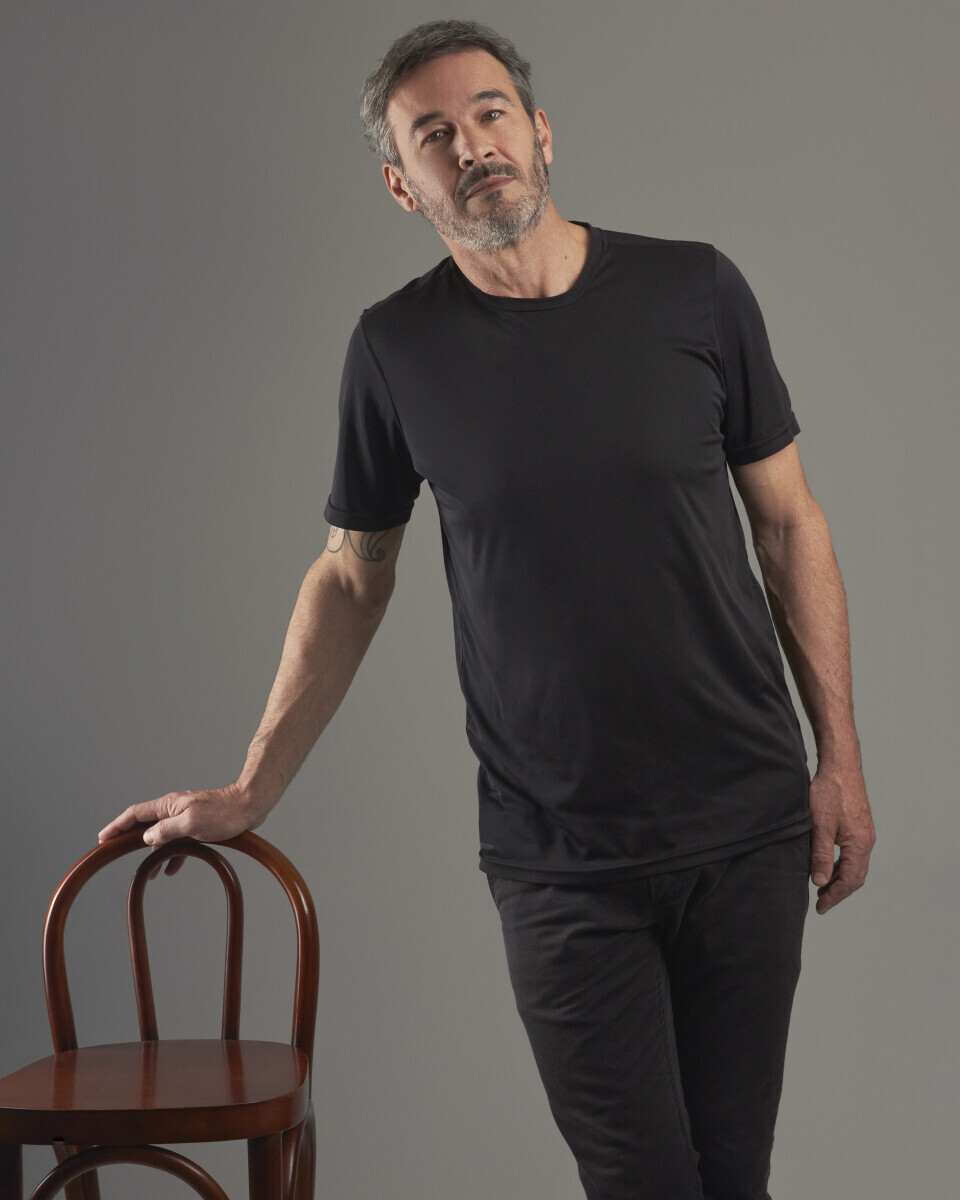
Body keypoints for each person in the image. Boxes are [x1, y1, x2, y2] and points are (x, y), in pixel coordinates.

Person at [99, 18, 876, 1200]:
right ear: (402, 185)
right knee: (642, 1182)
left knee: (733, 1179)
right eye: (434, 135)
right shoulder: (395, 350)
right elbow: (351, 573)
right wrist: (251, 788)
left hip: (746, 829)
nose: (471, 146)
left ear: (541, 130)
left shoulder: (696, 290)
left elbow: (789, 526)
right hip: (560, 862)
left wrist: (842, 761)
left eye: (490, 113)